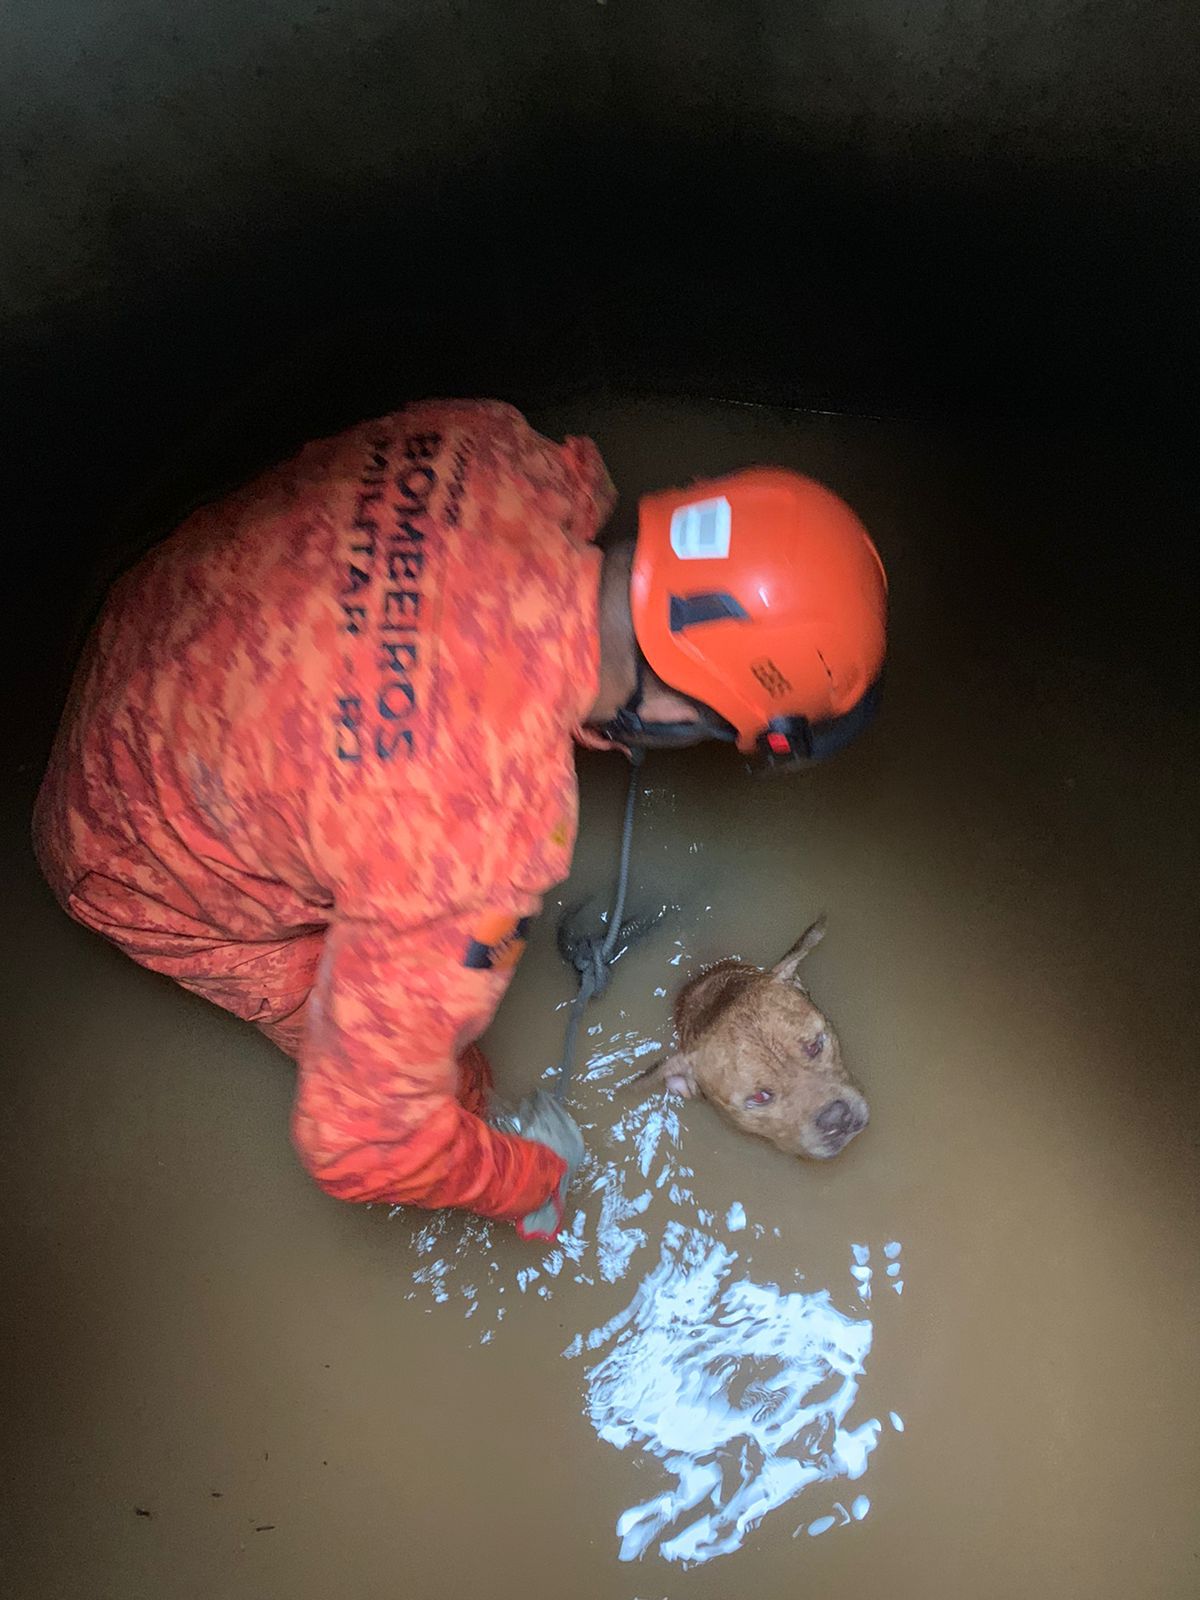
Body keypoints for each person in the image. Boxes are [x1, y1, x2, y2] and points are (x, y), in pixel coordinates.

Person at [33, 400, 887, 1241]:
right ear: (679, 706)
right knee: (443, 1090)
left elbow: (459, 630)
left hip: (151, 631)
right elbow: (362, 1144)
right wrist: (524, 1178)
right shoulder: (474, 846)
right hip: (131, 851)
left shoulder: (497, 446)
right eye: (716, 730)